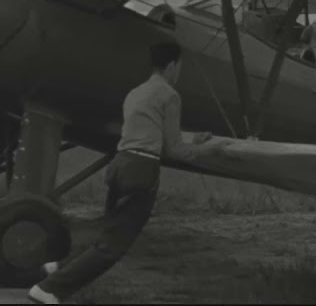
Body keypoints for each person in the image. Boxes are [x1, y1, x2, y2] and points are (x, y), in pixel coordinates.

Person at [28, 41, 213, 304]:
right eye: (180, 66)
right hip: (142, 170)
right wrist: (210, 150)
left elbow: (150, 132)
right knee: (114, 246)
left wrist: (195, 138)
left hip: (120, 165)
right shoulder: (170, 95)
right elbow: (173, 149)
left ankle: (59, 266)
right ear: (172, 65)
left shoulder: (136, 93)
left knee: (109, 232)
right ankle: (50, 289)